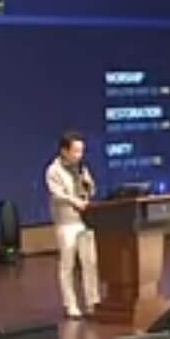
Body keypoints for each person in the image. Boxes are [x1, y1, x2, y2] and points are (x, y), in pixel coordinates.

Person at [46, 131, 101, 319]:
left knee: (90, 262)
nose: (79, 155)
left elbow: (92, 189)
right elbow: (57, 194)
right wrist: (73, 201)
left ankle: (92, 301)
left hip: (85, 220)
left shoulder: (82, 169)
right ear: (64, 151)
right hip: (66, 222)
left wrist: (88, 186)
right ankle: (71, 305)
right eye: (76, 151)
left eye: (81, 151)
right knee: (68, 263)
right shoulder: (54, 170)